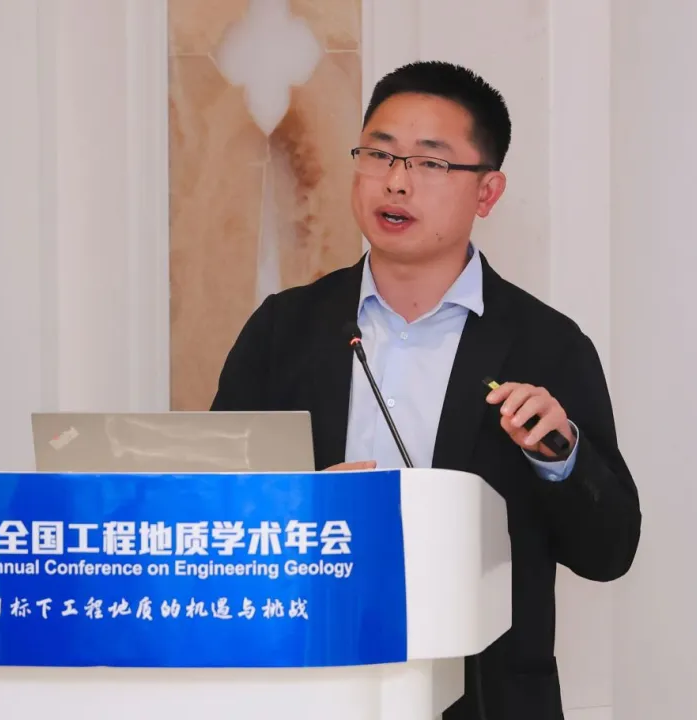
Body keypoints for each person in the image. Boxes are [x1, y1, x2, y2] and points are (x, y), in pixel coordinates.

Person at [210, 60, 641, 720]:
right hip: (308, 684)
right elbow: (213, 517)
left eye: (430, 163)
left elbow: (609, 552)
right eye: (378, 154)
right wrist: (300, 509)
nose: (396, 181)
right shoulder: (284, 330)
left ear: (487, 192)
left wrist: (560, 458)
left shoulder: (547, 345)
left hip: (484, 699)